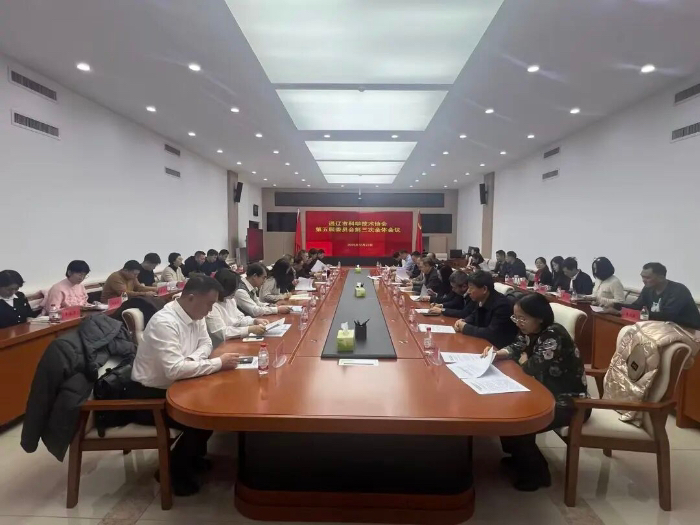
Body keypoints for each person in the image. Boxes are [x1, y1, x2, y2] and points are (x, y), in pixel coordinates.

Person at [129, 275, 242, 496]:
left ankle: (191, 459)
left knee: (210, 409)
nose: (210, 310)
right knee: (200, 419)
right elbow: (174, 370)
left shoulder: (195, 314)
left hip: (178, 384)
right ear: (191, 298)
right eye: (209, 304)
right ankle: (173, 472)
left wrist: (189, 361)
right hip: (149, 395)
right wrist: (217, 363)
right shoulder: (165, 322)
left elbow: (206, 343)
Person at [488, 293, 588, 491]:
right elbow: (517, 347)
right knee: (504, 411)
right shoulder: (530, 330)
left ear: (539, 317)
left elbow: (531, 367)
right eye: (516, 317)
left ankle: (538, 474)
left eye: (523, 318)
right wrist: (498, 354)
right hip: (543, 391)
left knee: (518, 421)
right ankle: (520, 459)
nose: (518, 323)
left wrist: (525, 360)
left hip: (570, 402)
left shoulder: (554, 334)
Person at [611, 263, 700, 329]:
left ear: (661, 278)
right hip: (661, 327)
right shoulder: (648, 288)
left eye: (647, 278)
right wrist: (615, 306)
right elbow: (637, 306)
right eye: (642, 277)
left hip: (687, 330)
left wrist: (628, 313)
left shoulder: (678, 290)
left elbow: (666, 316)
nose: (643, 280)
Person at [454, 271, 518, 348]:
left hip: (497, 348)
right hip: (483, 343)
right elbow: (474, 315)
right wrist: (463, 321)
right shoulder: (481, 299)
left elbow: (491, 333)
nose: (468, 292)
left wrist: (465, 327)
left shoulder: (502, 305)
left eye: (471, 288)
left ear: (484, 289)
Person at [206, 269, 268, 343]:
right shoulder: (211, 306)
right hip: (221, 345)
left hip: (235, 340)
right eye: (233, 289)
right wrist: (248, 329)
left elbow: (239, 319)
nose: (235, 292)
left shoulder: (230, 299)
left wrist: (254, 321)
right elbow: (223, 333)